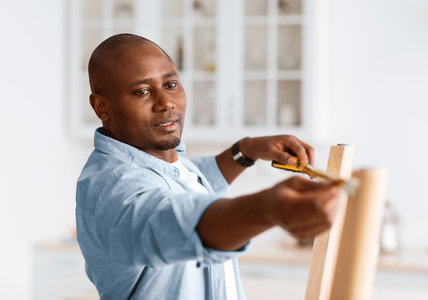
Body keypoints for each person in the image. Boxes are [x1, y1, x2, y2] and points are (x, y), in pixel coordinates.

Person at [76, 33, 342, 300]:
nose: (165, 102)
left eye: (170, 84)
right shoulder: (112, 188)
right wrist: (267, 209)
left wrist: (246, 150)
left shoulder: (160, 159)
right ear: (102, 107)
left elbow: (197, 181)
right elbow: (174, 220)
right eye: (143, 91)